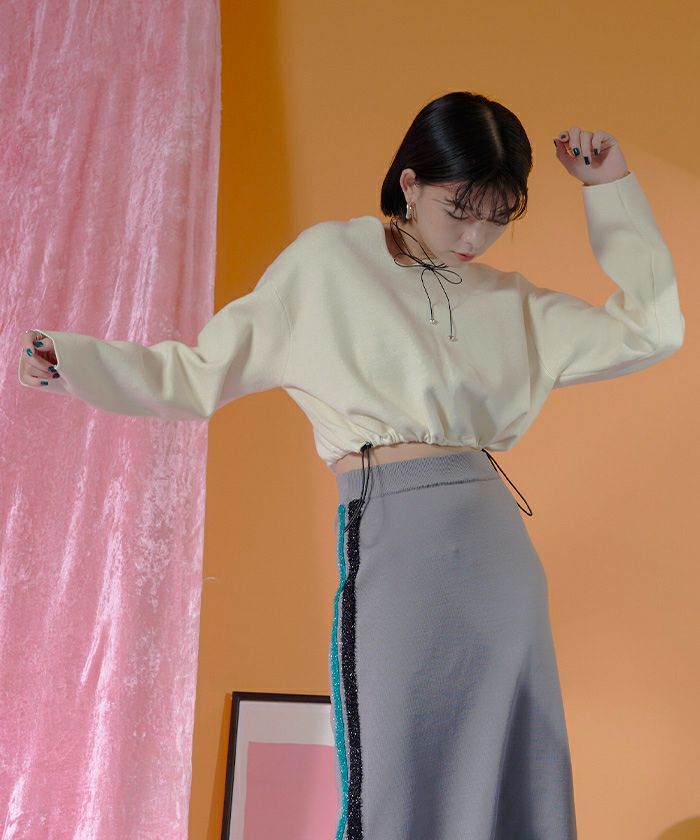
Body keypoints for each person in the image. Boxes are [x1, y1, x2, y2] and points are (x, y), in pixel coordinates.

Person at [18, 90, 684, 839]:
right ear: (410, 183)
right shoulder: (328, 264)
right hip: (395, 537)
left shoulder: (514, 303)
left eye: (498, 217)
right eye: (460, 210)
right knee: (392, 774)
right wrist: (73, 362)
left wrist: (609, 189)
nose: (475, 237)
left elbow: (653, 331)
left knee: (519, 771)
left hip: (498, 556)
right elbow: (198, 374)